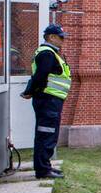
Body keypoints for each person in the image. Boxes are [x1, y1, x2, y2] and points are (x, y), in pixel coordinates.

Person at [22, 24, 72, 179]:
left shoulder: (51, 53)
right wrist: (30, 92)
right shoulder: (47, 54)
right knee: (46, 134)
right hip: (48, 100)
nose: (63, 40)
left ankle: (45, 166)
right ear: (51, 37)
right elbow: (40, 76)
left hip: (51, 100)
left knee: (48, 133)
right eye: (61, 37)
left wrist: (30, 91)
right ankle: (43, 170)